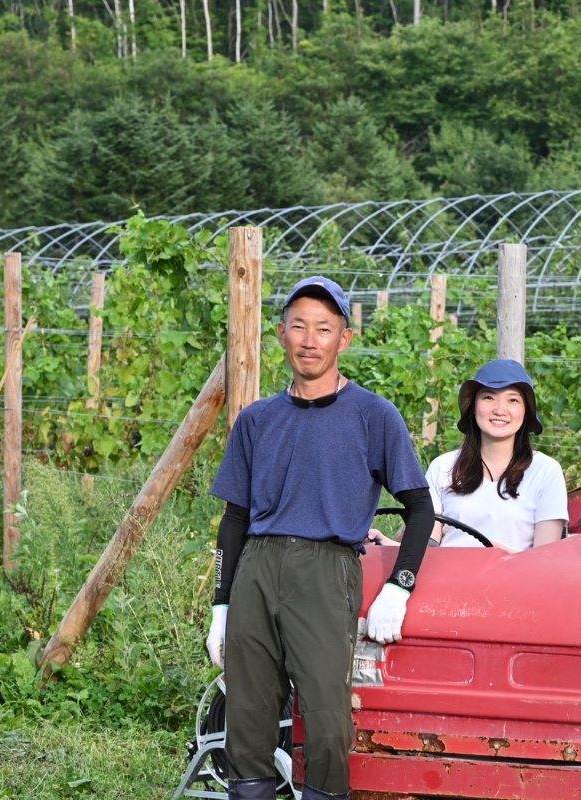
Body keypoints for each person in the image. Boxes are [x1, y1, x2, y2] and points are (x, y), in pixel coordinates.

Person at [204, 275, 435, 800]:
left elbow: (420, 509)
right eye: (299, 327)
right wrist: (222, 604)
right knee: (248, 713)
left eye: (324, 329)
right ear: (281, 334)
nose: (310, 340)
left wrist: (400, 585)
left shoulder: (374, 416)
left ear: (343, 339)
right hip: (256, 570)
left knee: (328, 720)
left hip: (326, 571)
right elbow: (234, 519)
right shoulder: (257, 420)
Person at [425, 359, 568, 551]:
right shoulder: (442, 467)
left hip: (514, 578)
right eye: (488, 397)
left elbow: (545, 557)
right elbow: (428, 545)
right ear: (473, 407)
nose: (500, 410)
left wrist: (499, 557)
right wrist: (390, 545)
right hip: (448, 575)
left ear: (526, 411)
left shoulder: (546, 471)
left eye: (513, 400)